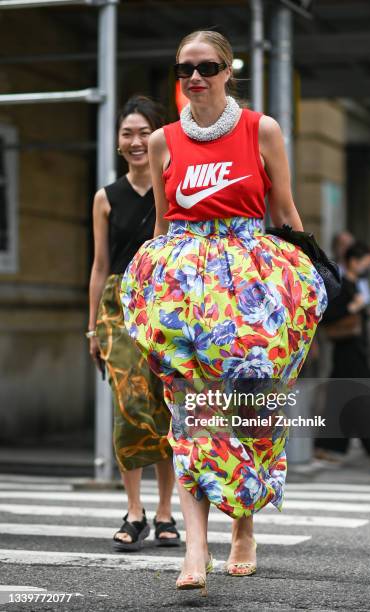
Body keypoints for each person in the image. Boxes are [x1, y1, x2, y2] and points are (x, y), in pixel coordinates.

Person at [121, 31, 327, 592]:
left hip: (249, 285)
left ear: (226, 70)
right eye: (185, 67)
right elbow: (163, 226)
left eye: (207, 66)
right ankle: (193, 552)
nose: (195, 77)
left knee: (249, 412)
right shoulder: (163, 141)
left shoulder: (261, 129)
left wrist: (312, 273)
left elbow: (283, 209)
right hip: (187, 287)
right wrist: (152, 285)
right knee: (192, 416)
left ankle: (243, 528)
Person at [87, 95, 180, 551]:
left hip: (164, 303)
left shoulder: (175, 186)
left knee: (163, 407)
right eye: (128, 133)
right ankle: (135, 510)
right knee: (129, 405)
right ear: (119, 142)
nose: (137, 141)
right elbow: (100, 265)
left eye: (145, 132)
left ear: (160, 136)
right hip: (118, 306)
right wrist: (92, 328)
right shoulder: (106, 197)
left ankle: (166, 513)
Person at [315, 241, 370, 471]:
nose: (368, 268)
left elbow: (358, 317)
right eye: (366, 263)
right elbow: (330, 316)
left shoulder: (355, 285)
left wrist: (369, 311)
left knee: (341, 402)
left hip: (355, 354)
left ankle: (328, 447)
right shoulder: (341, 285)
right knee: (368, 400)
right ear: (354, 261)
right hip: (348, 354)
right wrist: (354, 308)